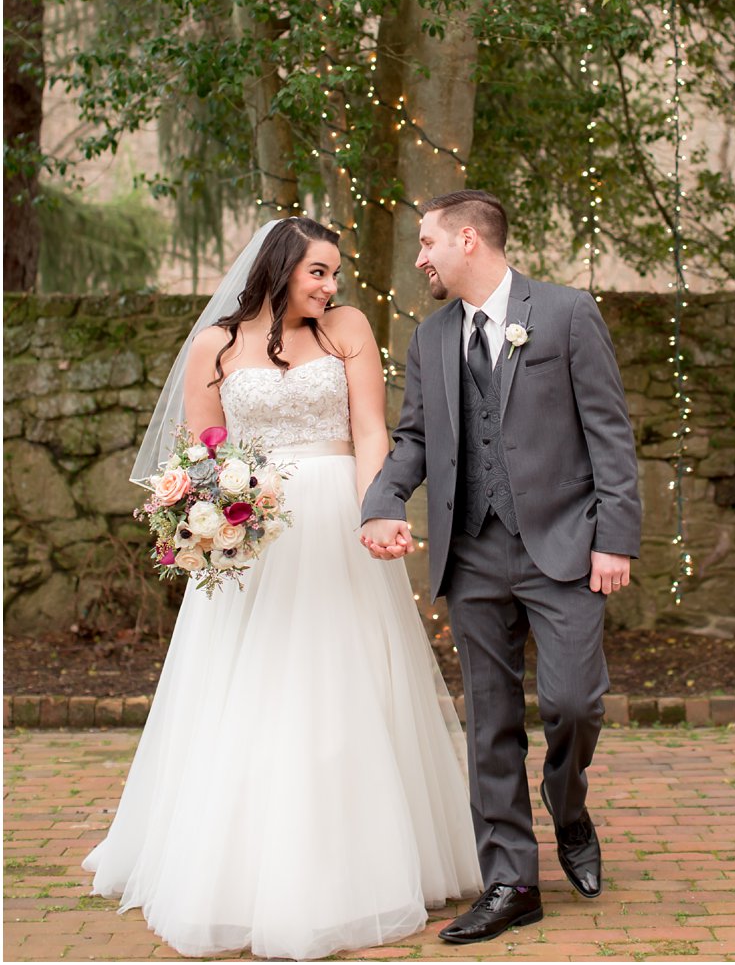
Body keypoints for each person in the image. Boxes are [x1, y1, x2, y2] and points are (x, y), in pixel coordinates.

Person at [83, 216, 482, 960]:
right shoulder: (217, 344)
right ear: (280, 268)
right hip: (254, 533)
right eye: (318, 273)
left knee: (345, 677)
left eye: (334, 274)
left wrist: (380, 510)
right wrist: (207, 515)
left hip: (337, 520)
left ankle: (365, 858)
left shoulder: (349, 329)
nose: (331, 288)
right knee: (254, 684)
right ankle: (235, 870)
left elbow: (371, 431)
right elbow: (201, 454)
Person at [358, 190, 641, 944]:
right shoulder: (429, 337)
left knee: (575, 702)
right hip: (472, 550)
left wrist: (615, 536)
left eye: (427, 242)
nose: (420, 257)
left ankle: (567, 804)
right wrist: (382, 500)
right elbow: (415, 437)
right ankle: (512, 879)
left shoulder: (568, 313)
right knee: (490, 722)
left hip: (564, 545)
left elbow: (610, 434)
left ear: (469, 238)